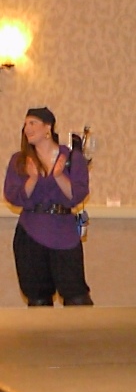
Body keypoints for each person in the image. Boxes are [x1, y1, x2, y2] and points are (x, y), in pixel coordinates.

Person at [4, 107, 92, 306]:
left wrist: (59, 175)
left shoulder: (71, 158)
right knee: (38, 298)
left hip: (64, 232)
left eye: (32, 123)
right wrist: (33, 178)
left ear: (48, 127)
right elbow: (12, 195)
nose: (27, 128)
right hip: (30, 233)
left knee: (76, 296)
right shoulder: (19, 160)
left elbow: (77, 194)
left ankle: (82, 328)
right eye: (25, 124)